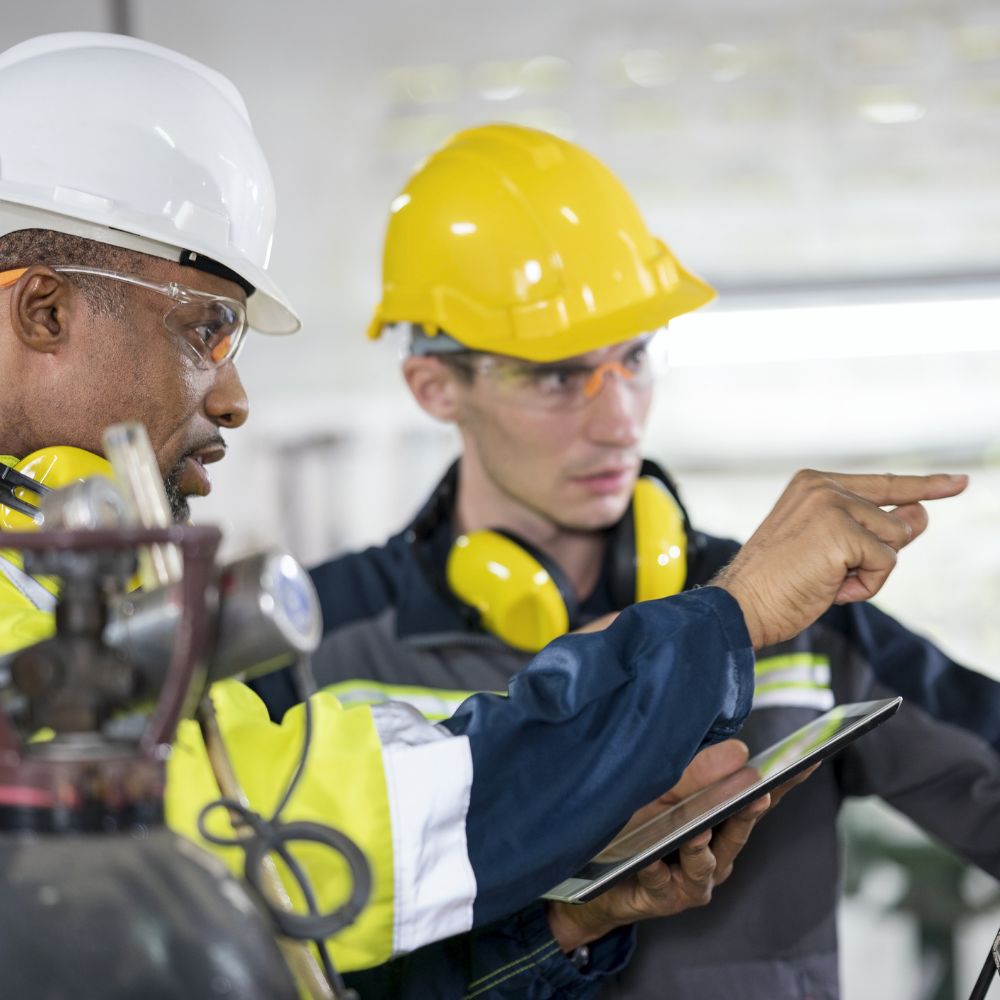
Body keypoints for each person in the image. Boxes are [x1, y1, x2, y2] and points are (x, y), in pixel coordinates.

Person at [0, 34, 965, 997]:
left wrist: (561, 925)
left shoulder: (60, 596)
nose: (237, 397)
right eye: (206, 329)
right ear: (40, 312)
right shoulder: (305, 635)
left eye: (632, 358)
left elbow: (291, 955)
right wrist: (735, 613)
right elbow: (332, 843)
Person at [257, 124, 1000, 999]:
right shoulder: (320, 649)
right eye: (559, 377)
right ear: (435, 387)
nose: (618, 422)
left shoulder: (804, 614)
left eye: (634, 358)